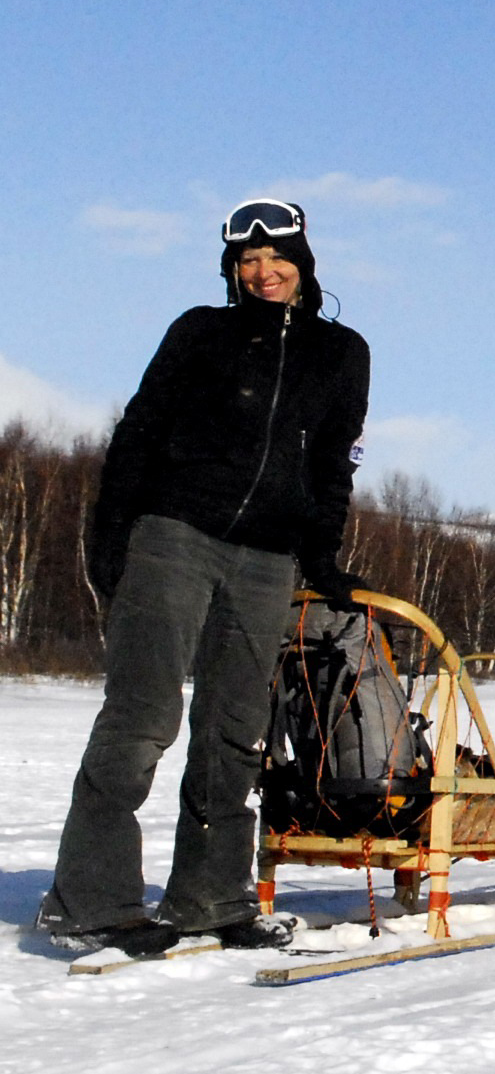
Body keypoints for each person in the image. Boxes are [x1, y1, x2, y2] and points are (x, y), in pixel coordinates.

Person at [37, 200, 370, 956]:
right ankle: (89, 902)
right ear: (231, 269)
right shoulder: (200, 332)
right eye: (247, 261)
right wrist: (111, 535)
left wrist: (320, 558)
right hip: (174, 536)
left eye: (276, 258)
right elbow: (139, 432)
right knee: (142, 716)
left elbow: (332, 465)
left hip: (267, 558)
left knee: (235, 732)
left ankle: (211, 900)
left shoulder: (341, 352)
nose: (263, 272)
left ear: (303, 262)